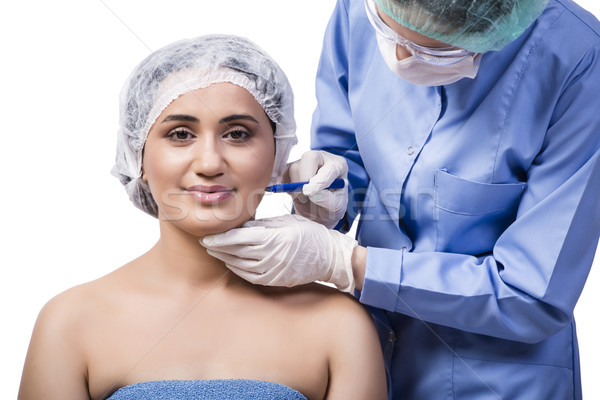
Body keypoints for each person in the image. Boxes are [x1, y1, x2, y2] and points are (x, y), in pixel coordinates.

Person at [200, 1, 600, 399]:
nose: (401, 56)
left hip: (497, 379)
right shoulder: (359, 8)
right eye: (387, 32)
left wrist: (350, 263)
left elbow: (533, 294)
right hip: (368, 348)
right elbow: (347, 150)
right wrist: (332, 196)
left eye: (434, 49)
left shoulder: (576, 57)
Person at [18, 34, 387, 400]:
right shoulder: (70, 324)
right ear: (138, 157)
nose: (210, 163)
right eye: (180, 134)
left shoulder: (341, 327)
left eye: (237, 134)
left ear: (277, 157)